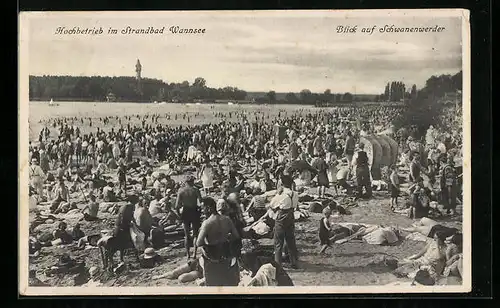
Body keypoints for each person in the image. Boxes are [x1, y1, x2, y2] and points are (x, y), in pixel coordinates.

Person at [196, 197, 241, 286]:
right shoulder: (227, 219)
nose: (201, 210)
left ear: (208, 208)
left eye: (203, 208)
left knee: (213, 284)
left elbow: (199, 243)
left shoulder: (207, 223)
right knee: (226, 282)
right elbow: (236, 236)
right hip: (225, 253)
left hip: (212, 255)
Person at [269, 174, 299, 269]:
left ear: (282, 184)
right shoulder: (295, 194)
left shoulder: (281, 195)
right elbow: (295, 206)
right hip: (291, 215)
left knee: (278, 242)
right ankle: (294, 262)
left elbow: (272, 204)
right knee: (291, 240)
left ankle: (278, 265)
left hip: (281, 216)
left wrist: (278, 194)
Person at [175, 175, 202, 259]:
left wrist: (179, 216)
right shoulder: (195, 190)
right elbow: (201, 202)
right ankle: (194, 253)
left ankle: (188, 254)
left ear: (185, 182)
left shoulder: (181, 191)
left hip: (186, 211)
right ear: (192, 182)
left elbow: (177, 206)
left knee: (186, 235)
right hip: (194, 211)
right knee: (195, 234)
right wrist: (199, 210)